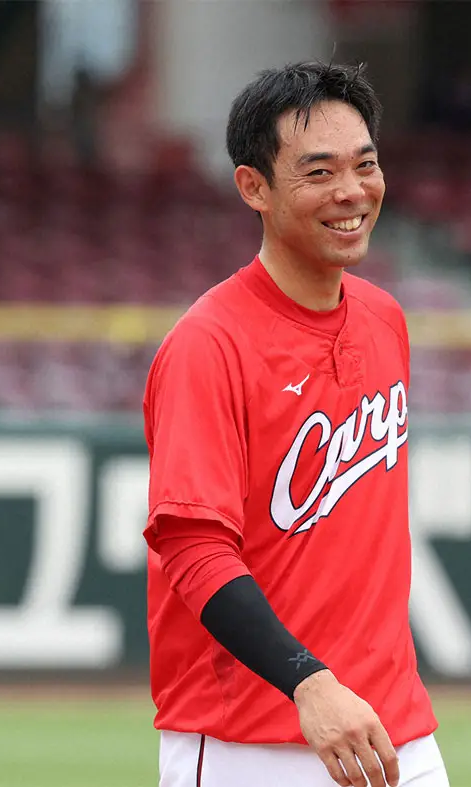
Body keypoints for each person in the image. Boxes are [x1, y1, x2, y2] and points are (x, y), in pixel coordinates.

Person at [141, 62, 449, 787]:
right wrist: (309, 681)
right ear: (254, 186)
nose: (351, 191)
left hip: (394, 728)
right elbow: (193, 550)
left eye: (365, 164)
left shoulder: (384, 318)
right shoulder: (207, 343)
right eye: (318, 172)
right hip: (252, 738)